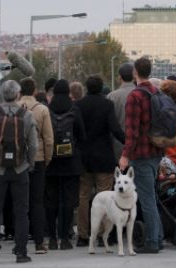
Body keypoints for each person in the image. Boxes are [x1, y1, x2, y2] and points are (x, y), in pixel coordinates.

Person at [0, 80, 38, 264]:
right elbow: (33, 144)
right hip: (20, 168)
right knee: (21, 211)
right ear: (18, 94)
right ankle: (21, 252)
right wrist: (29, 163)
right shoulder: (27, 115)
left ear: (1, 94)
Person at [118, 57, 164, 254]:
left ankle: (153, 241)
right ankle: (158, 236)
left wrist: (125, 155)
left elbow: (132, 130)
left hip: (142, 153)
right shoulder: (156, 91)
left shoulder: (135, 96)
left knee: (146, 199)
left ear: (135, 72)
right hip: (156, 150)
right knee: (151, 196)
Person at [74, 75, 125, 246]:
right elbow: (115, 129)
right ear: (101, 86)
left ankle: (82, 234)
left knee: (83, 196)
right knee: (105, 196)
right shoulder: (107, 105)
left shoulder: (78, 105)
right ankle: (103, 235)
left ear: (86, 87)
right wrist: (129, 143)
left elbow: (76, 131)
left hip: (84, 158)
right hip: (104, 157)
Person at [45, 79, 87, 250]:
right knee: (68, 201)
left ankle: (52, 238)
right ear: (68, 92)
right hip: (71, 161)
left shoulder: (46, 109)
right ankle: (65, 239)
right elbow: (82, 136)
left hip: (51, 161)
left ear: (54, 92)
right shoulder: (74, 109)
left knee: (50, 201)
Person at [18, 77, 54, 253]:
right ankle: (39, 242)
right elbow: (48, 139)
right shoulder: (42, 110)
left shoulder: (12, 108)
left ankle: (20, 243)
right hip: (37, 159)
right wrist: (47, 159)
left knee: (19, 202)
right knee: (37, 202)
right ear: (34, 91)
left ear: (19, 91)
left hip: (16, 160)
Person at [107, 63, 135, 159]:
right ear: (134, 76)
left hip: (117, 146)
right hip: (138, 146)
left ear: (120, 77)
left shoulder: (112, 96)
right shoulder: (142, 94)